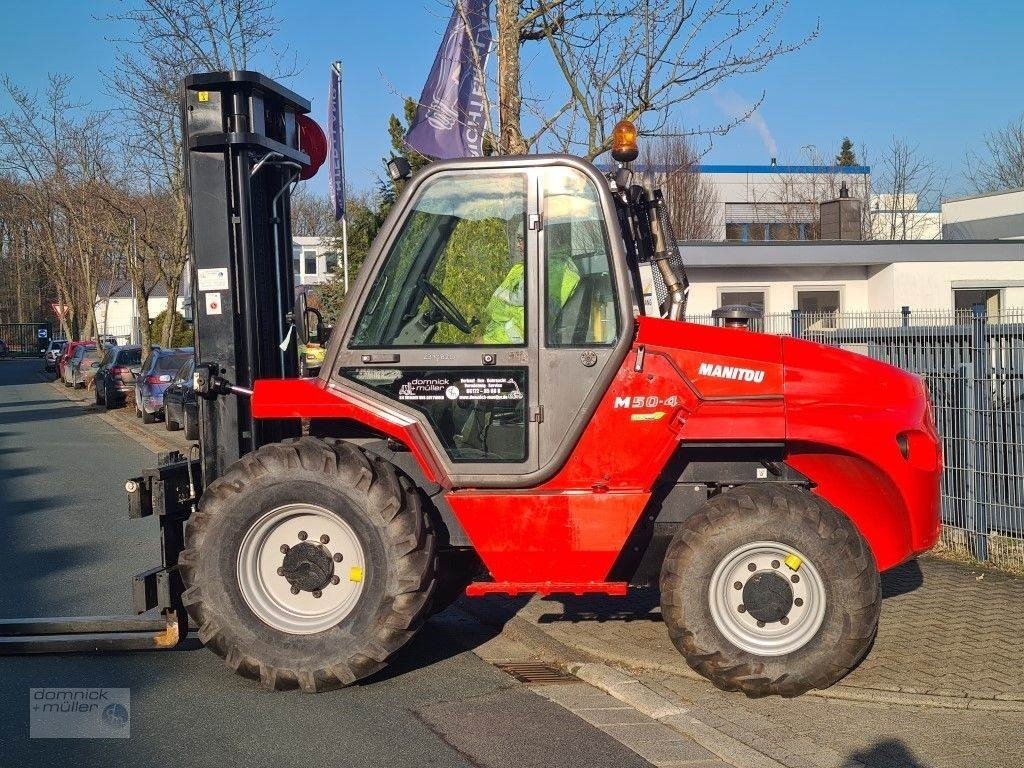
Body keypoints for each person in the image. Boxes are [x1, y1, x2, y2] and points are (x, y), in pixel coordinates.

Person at [480, 227, 580, 344]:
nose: (518, 245)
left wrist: (488, 341)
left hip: (511, 345)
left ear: (539, 239)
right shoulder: (527, 267)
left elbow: (531, 326)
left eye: (521, 239)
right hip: (496, 335)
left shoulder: (554, 271)